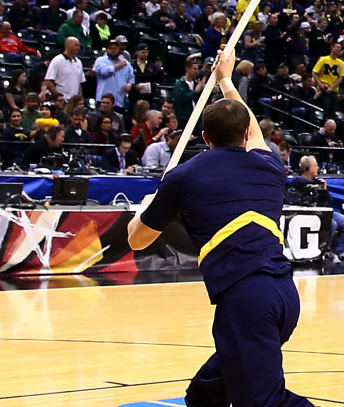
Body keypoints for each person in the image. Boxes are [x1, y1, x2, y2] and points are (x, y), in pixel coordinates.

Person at [128, 52, 317, 407]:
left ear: (203, 136)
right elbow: (255, 129)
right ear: (246, 134)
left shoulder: (182, 176)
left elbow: (138, 240)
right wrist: (226, 80)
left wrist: (143, 210)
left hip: (246, 299)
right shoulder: (269, 164)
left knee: (263, 402)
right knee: (206, 393)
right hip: (284, 297)